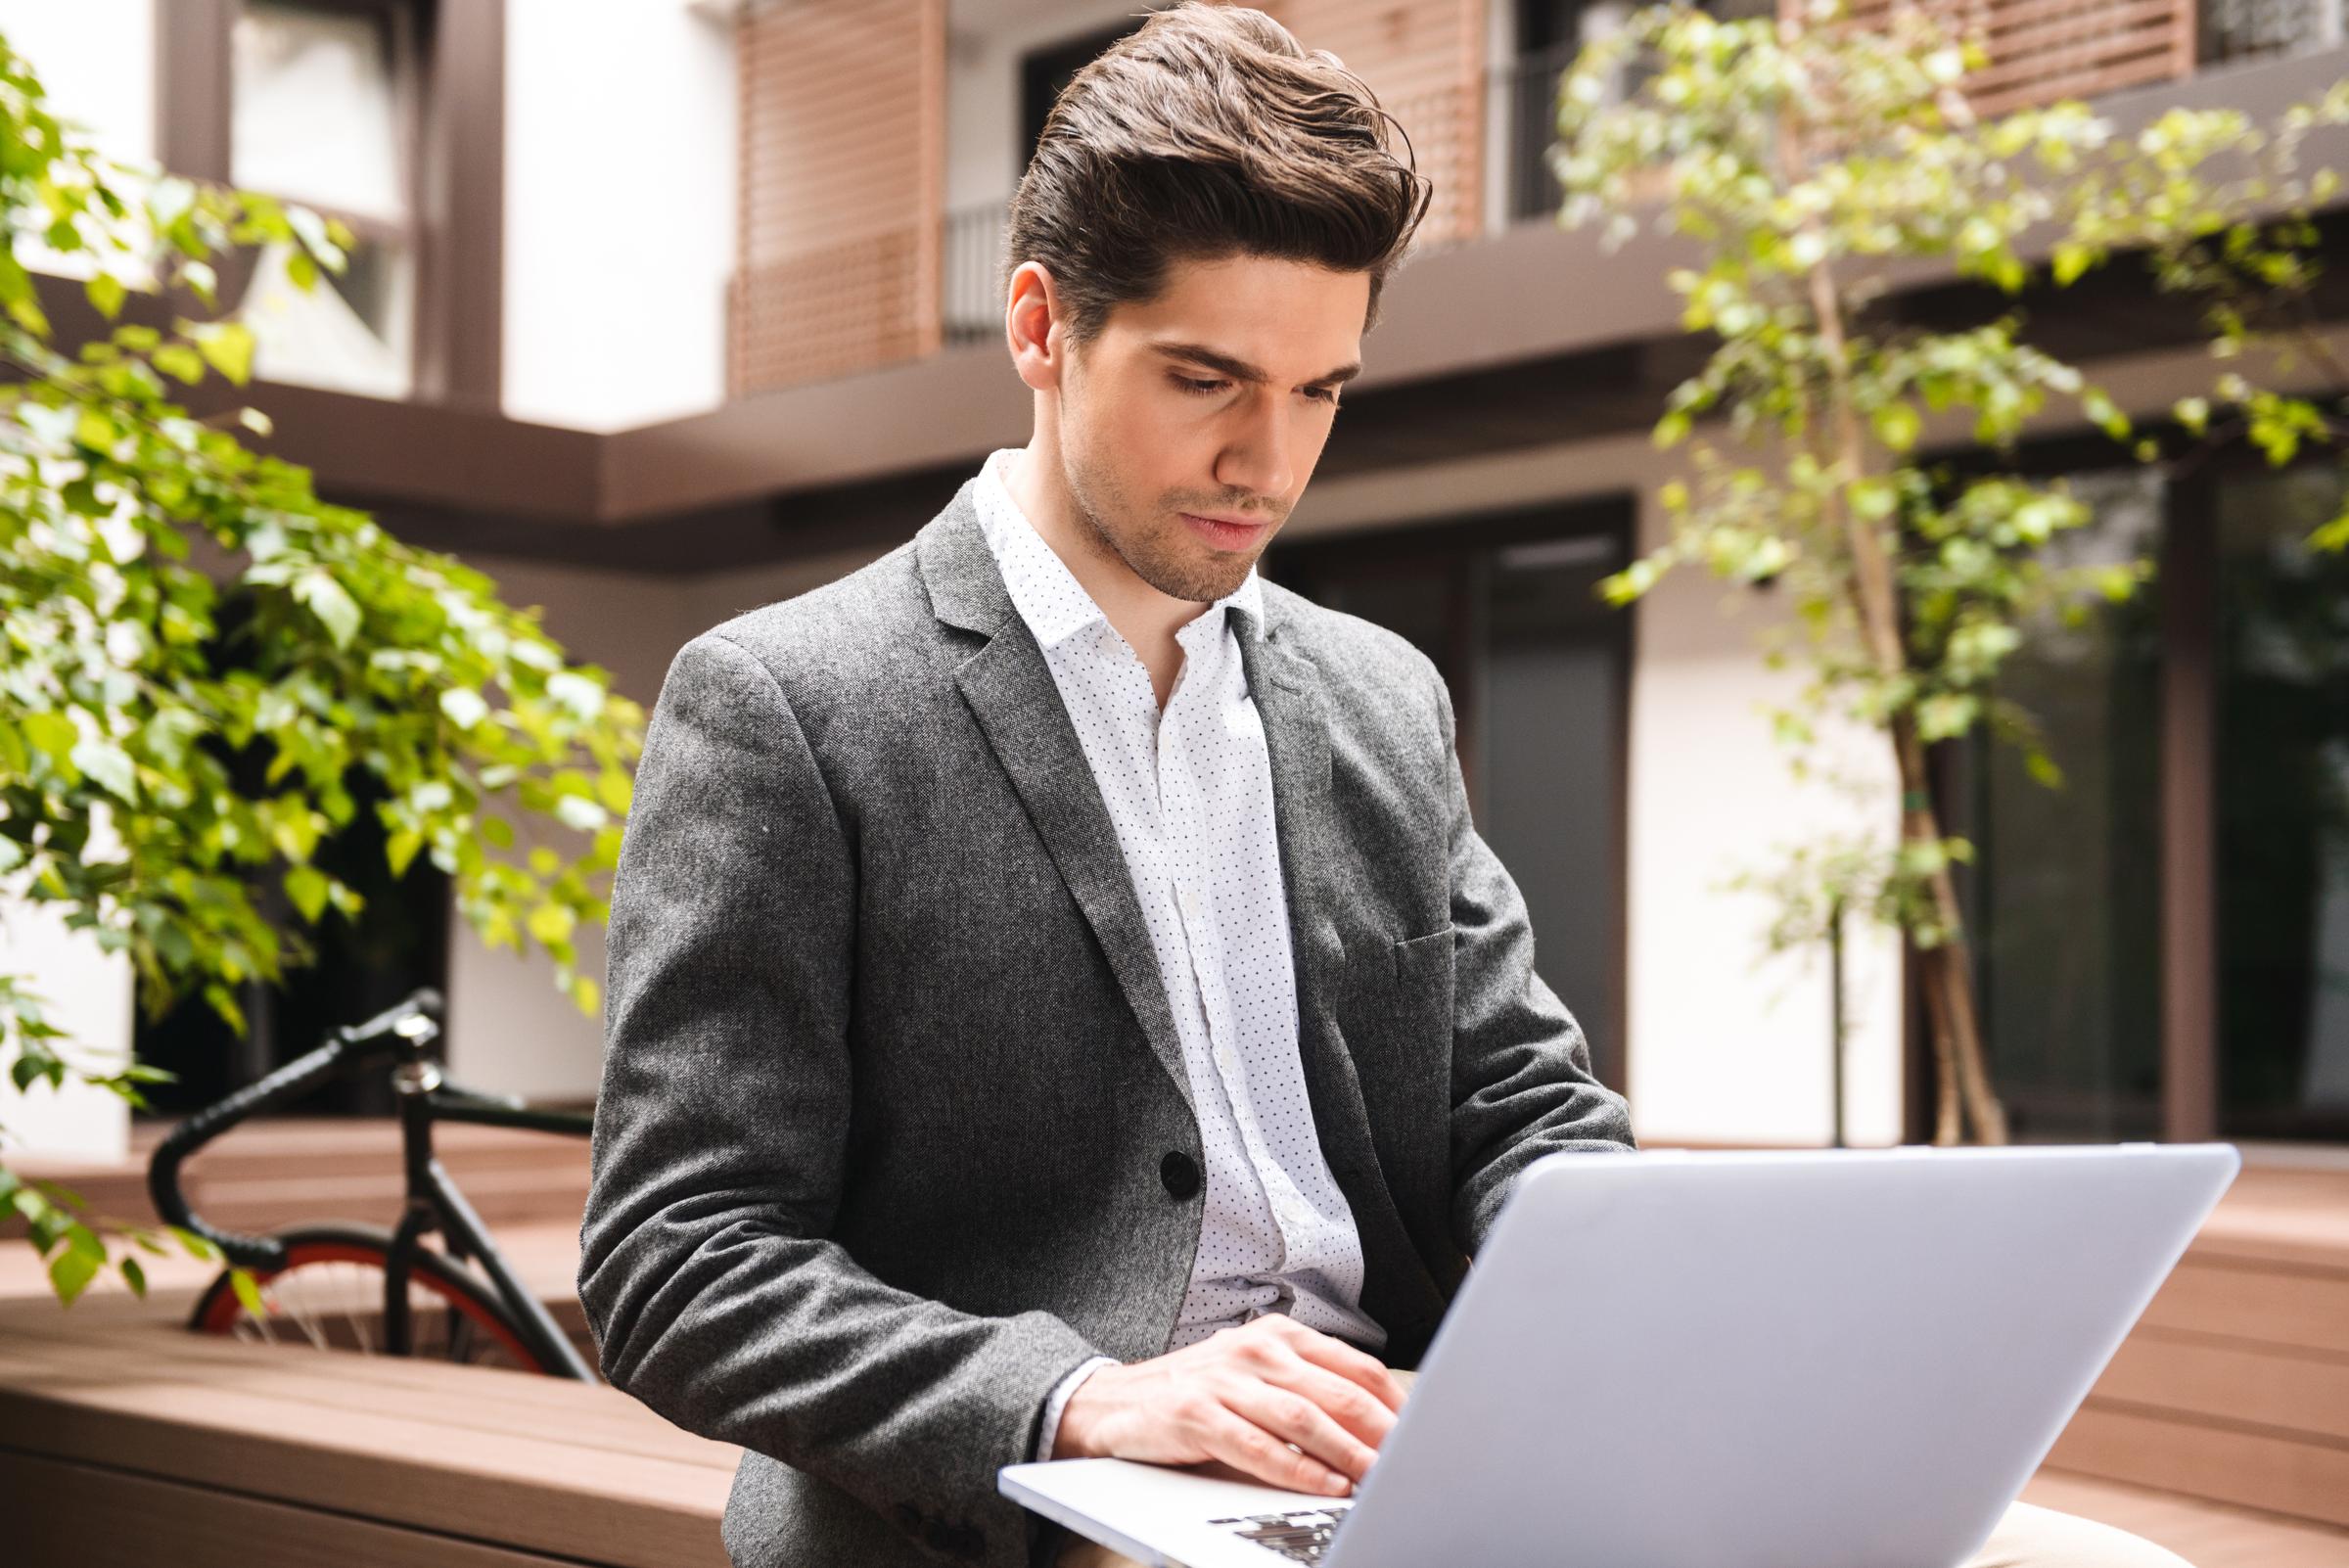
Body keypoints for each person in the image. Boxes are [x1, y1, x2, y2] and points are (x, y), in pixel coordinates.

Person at [576, 6, 2191, 1567]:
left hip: (1403, 1451)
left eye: (1321, 392)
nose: (1268, 463)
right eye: (1208, 379)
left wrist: (1667, 1314)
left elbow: (1517, 1106)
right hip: (1038, 1507)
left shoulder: (1376, 698)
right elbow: (679, 1258)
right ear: (1040, 326)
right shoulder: (787, 704)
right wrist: (1080, 1401)